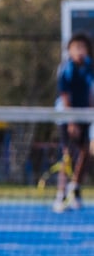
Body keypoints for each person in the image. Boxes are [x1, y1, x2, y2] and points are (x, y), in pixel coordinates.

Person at [54, 32, 94, 212]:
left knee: (85, 151)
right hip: (66, 115)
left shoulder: (89, 67)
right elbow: (65, 95)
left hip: (84, 114)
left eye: (83, 47)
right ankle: (60, 194)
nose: (80, 51)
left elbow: (91, 92)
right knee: (67, 154)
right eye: (76, 47)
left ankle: (75, 188)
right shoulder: (66, 69)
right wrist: (71, 121)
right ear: (70, 50)